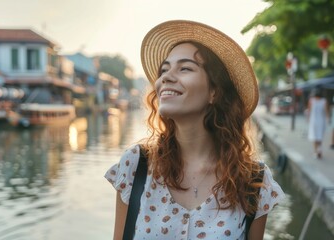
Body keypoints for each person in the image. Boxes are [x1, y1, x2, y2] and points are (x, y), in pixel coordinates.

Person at [105, 20, 285, 240]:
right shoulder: (137, 164)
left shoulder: (253, 181)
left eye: (185, 68)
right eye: (164, 70)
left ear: (214, 92)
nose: (166, 78)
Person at [307, 88, 329, 159]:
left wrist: (308, 119)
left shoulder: (311, 100)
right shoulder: (324, 101)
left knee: (314, 136)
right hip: (321, 121)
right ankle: (319, 150)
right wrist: (327, 119)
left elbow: (309, 111)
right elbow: (326, 111)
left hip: (313, 121)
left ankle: (316, 151)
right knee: (319, 136)